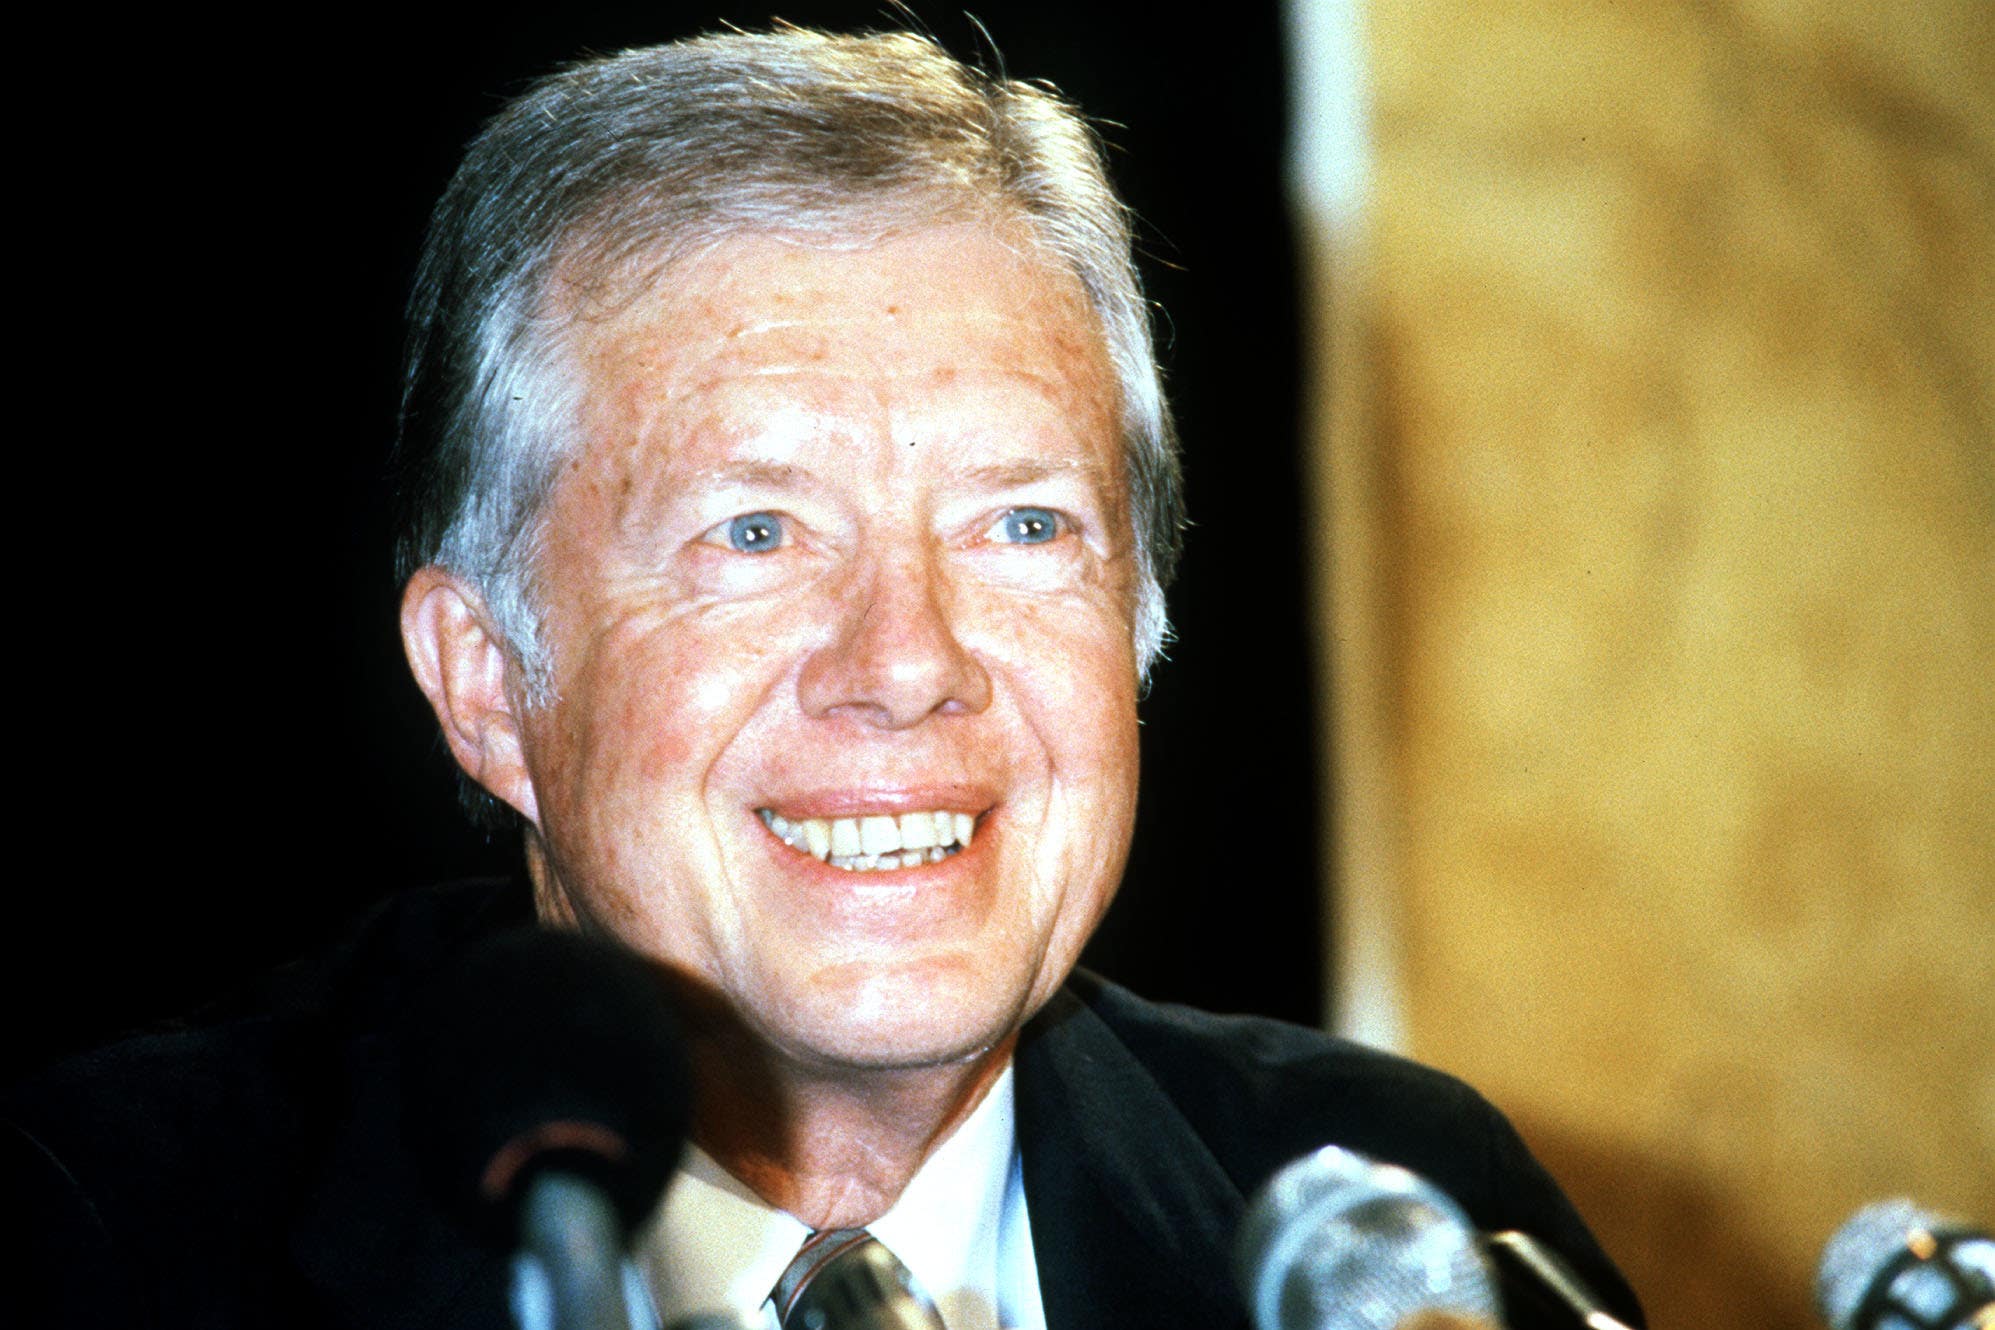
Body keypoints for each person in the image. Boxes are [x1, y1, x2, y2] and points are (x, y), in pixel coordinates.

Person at [4, 27, 1642, 1330]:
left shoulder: (1410, 1222)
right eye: (756, 529)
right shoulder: (110, 1238)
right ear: (490, 681)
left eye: (1021, 523)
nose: (908, 664)